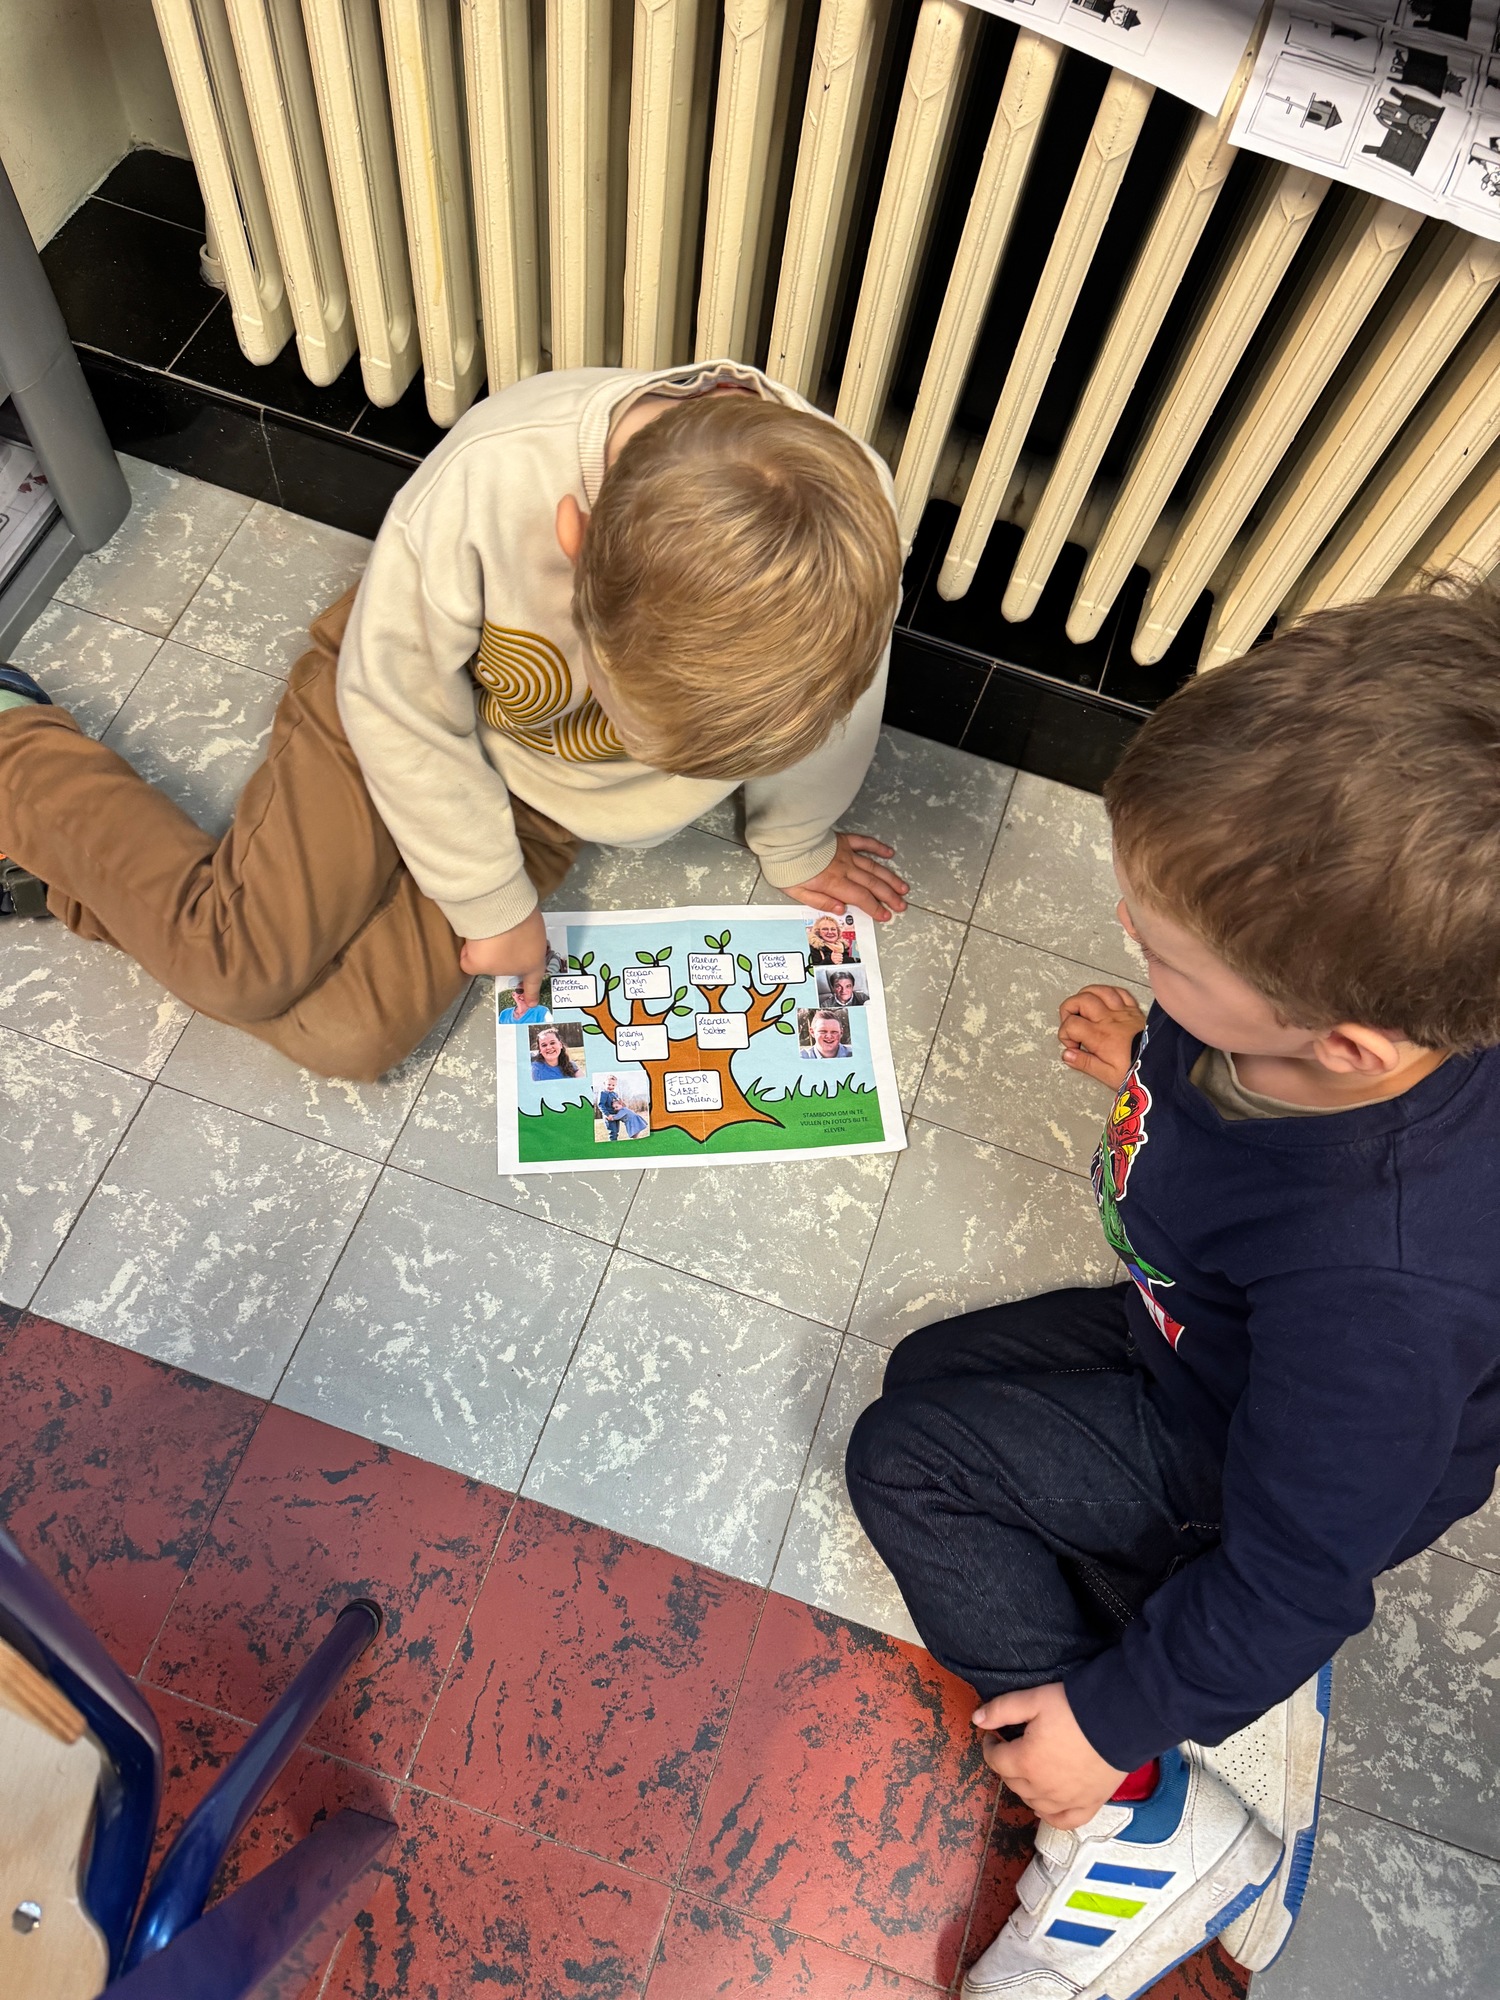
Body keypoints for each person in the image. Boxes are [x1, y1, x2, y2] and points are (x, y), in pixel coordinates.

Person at [846, 587, 1500, 1998]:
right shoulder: (1341, 1026)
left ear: (1345, 1043)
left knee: (907, 1460)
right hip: (1192, 1338)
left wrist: (1109, 1717)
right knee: (928, 1377)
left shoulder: (1383, 1286)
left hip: (1242, 1451)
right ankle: (1186, 1634)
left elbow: (1305, 1571)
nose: (1129, 936)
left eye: (1165, 955)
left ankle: (1147, 1819)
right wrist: (1163, 1043)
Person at [0, 368, 907, 1082]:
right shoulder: (491, 473)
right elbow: (397, 701)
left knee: (350, 1038)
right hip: (393, 714)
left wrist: (797, 841)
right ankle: (14, 745)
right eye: (629, 714)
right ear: (574, 541)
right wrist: (493, 904)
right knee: (236, 968)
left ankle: (61, 869)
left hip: (542, 799)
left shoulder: (847, 535)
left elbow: (839, 711)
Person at [595, 1076, 625, 1141]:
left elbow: (617, 1105)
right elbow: (601, 1105)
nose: (611, 1086)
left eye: (613, 1085)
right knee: (613, 1132)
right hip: (609, 1116)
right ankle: (612, 1145)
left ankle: (615, 1144)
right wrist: (607, 1115)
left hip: (616, 1116)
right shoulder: (603, 1093)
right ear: (604, 1084)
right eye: (609, 1084)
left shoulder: (615, 1094)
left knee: (616, 1132)